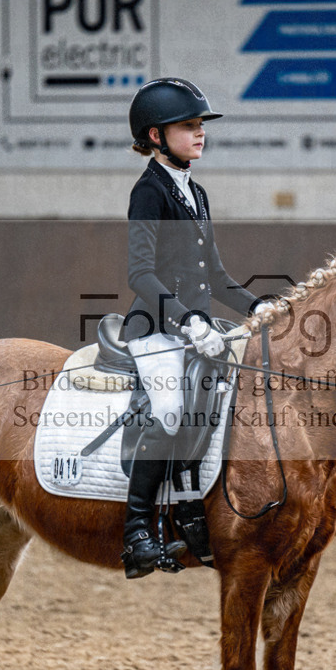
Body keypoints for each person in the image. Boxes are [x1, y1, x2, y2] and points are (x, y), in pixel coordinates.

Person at [120, 77, 264, 579]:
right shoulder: (149, 192)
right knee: (171, 410)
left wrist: (262, 308)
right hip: (157, 330)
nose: (200, 133)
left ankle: (186, 510)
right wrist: (188, 318)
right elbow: (140, 273)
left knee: (215, 408)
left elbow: (217, 277)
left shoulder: (195, 191)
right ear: (156, 136)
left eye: (201, 125)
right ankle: (136, 529)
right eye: (189, 126)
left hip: (197, 329)